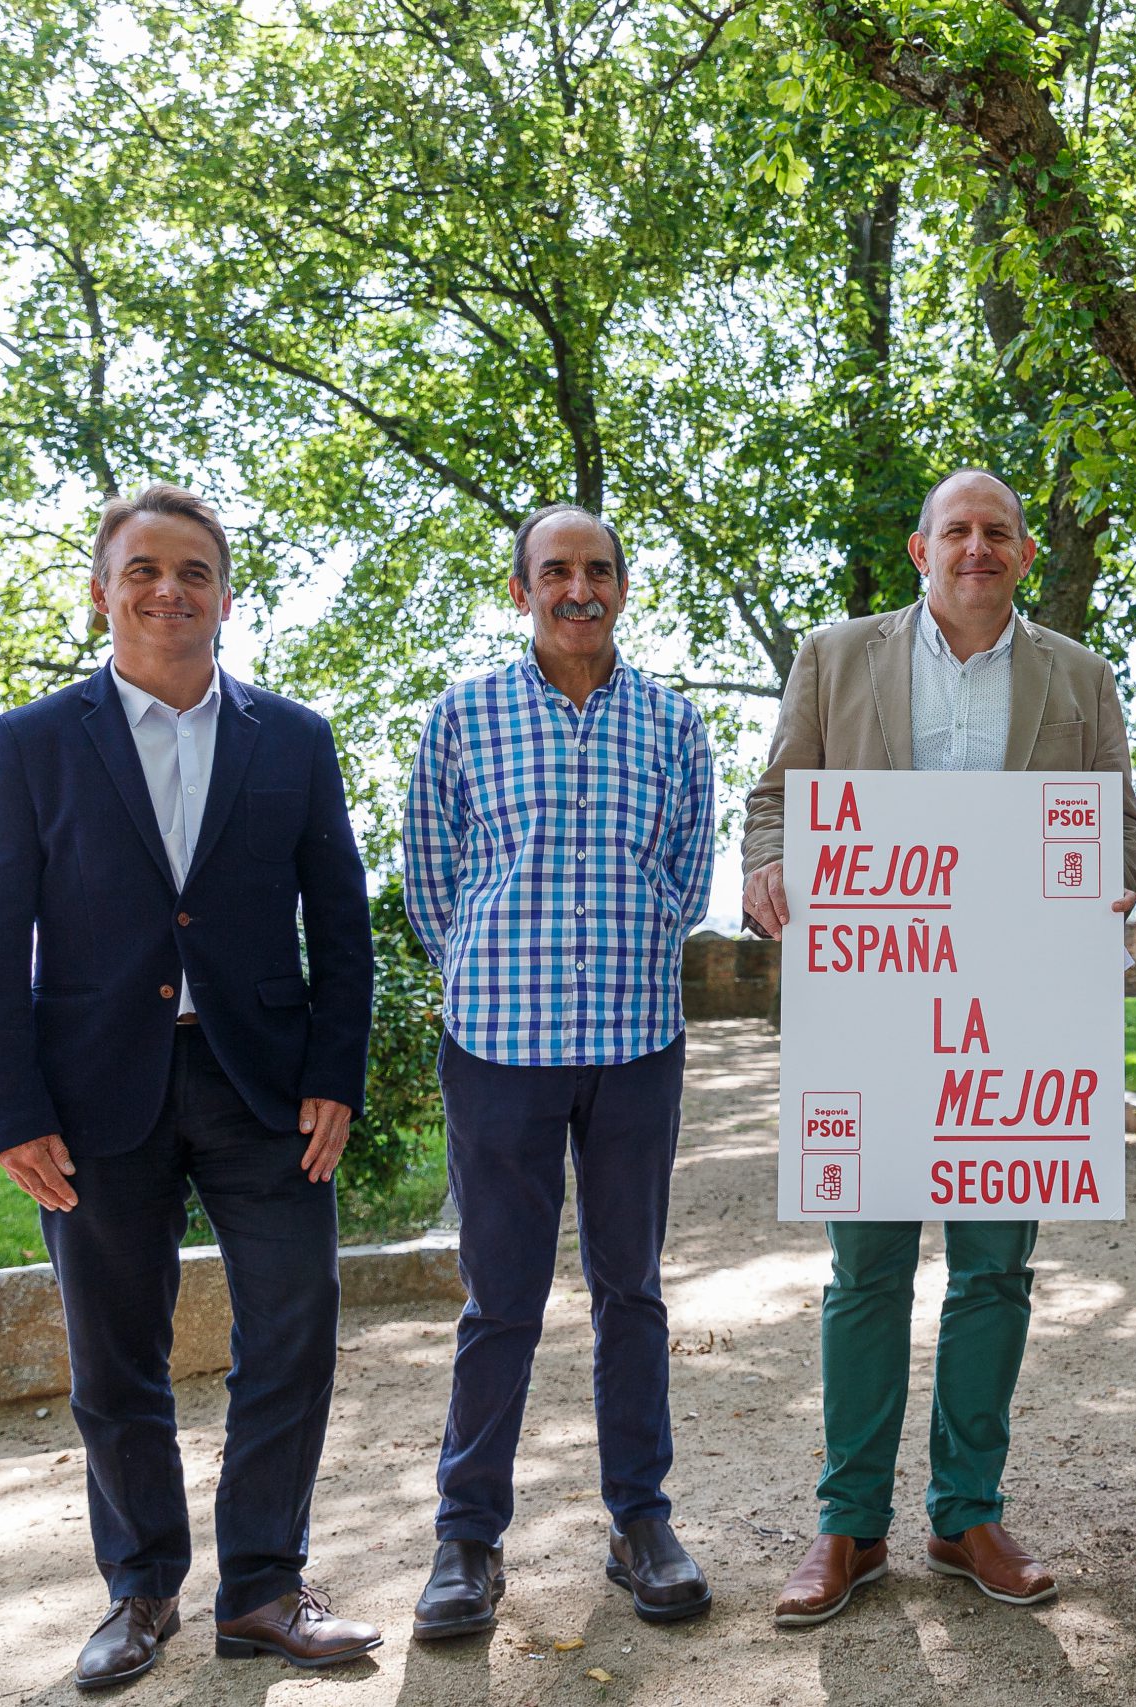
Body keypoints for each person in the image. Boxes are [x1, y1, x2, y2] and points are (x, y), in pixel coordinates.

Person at [0, 484, 381, 1686]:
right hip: (91, 1104)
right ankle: (140, 1593)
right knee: (114, 1360)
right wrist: (11, 1111)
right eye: (142, 570)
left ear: (226, 599)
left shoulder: (292, 739)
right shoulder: (33, 742)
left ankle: (263, 1589)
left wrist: (334, 1073)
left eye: (193, 571)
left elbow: (340, 926)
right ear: (103, 592)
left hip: (266, 1092)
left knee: (293, 1336)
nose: (167, 590)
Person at [743, 468, 1136, 1627]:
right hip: (872, 1010)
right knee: (864, 1272)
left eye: (998, 534)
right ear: (921, 552)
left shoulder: (1078, 674)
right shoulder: (835, 654)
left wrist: (1106, 888)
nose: (977, 547)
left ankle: (967, 1511)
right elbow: (777, 797)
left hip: (1015, 1019)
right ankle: (849, 1525)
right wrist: (769, 866)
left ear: (1027, 557)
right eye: (956, 532)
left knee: (992, 1273)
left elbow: (1115, 823)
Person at [402, 504, 717, 1633]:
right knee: (502, 1301)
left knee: (630, 1289)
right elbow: (432, 876)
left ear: (621, 587)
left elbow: (687, 872)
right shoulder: (463, 716)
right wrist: (489, 968)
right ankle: (466, 1539)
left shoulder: (674, 725)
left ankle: (640, 1521)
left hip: (636, 1042)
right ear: (522, 587)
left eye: (597, 570)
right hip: (500, 1046)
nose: (577, 588)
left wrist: (625, 953)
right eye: (555, 571)